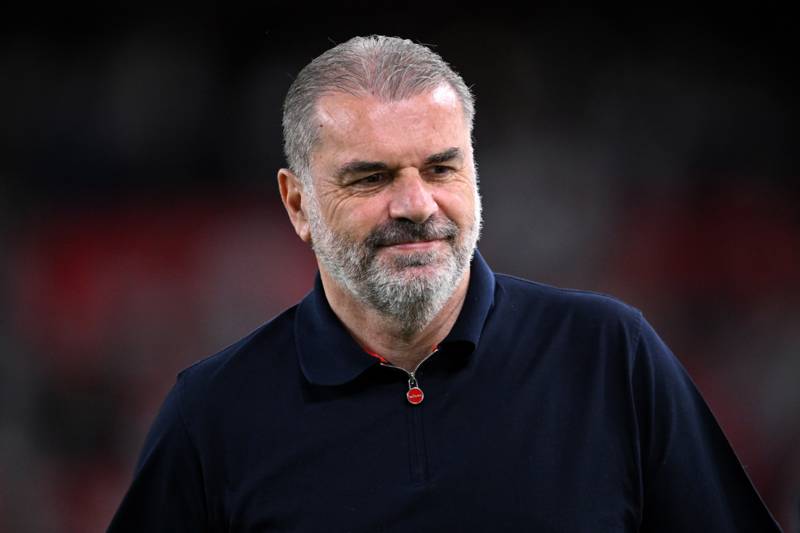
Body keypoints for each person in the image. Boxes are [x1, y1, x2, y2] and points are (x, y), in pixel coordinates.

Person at [107, 35, 781, 532]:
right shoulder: (212, 413)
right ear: (297, 203)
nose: (416, 205)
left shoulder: (611, 357)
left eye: (441, 169)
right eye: (371, 177)